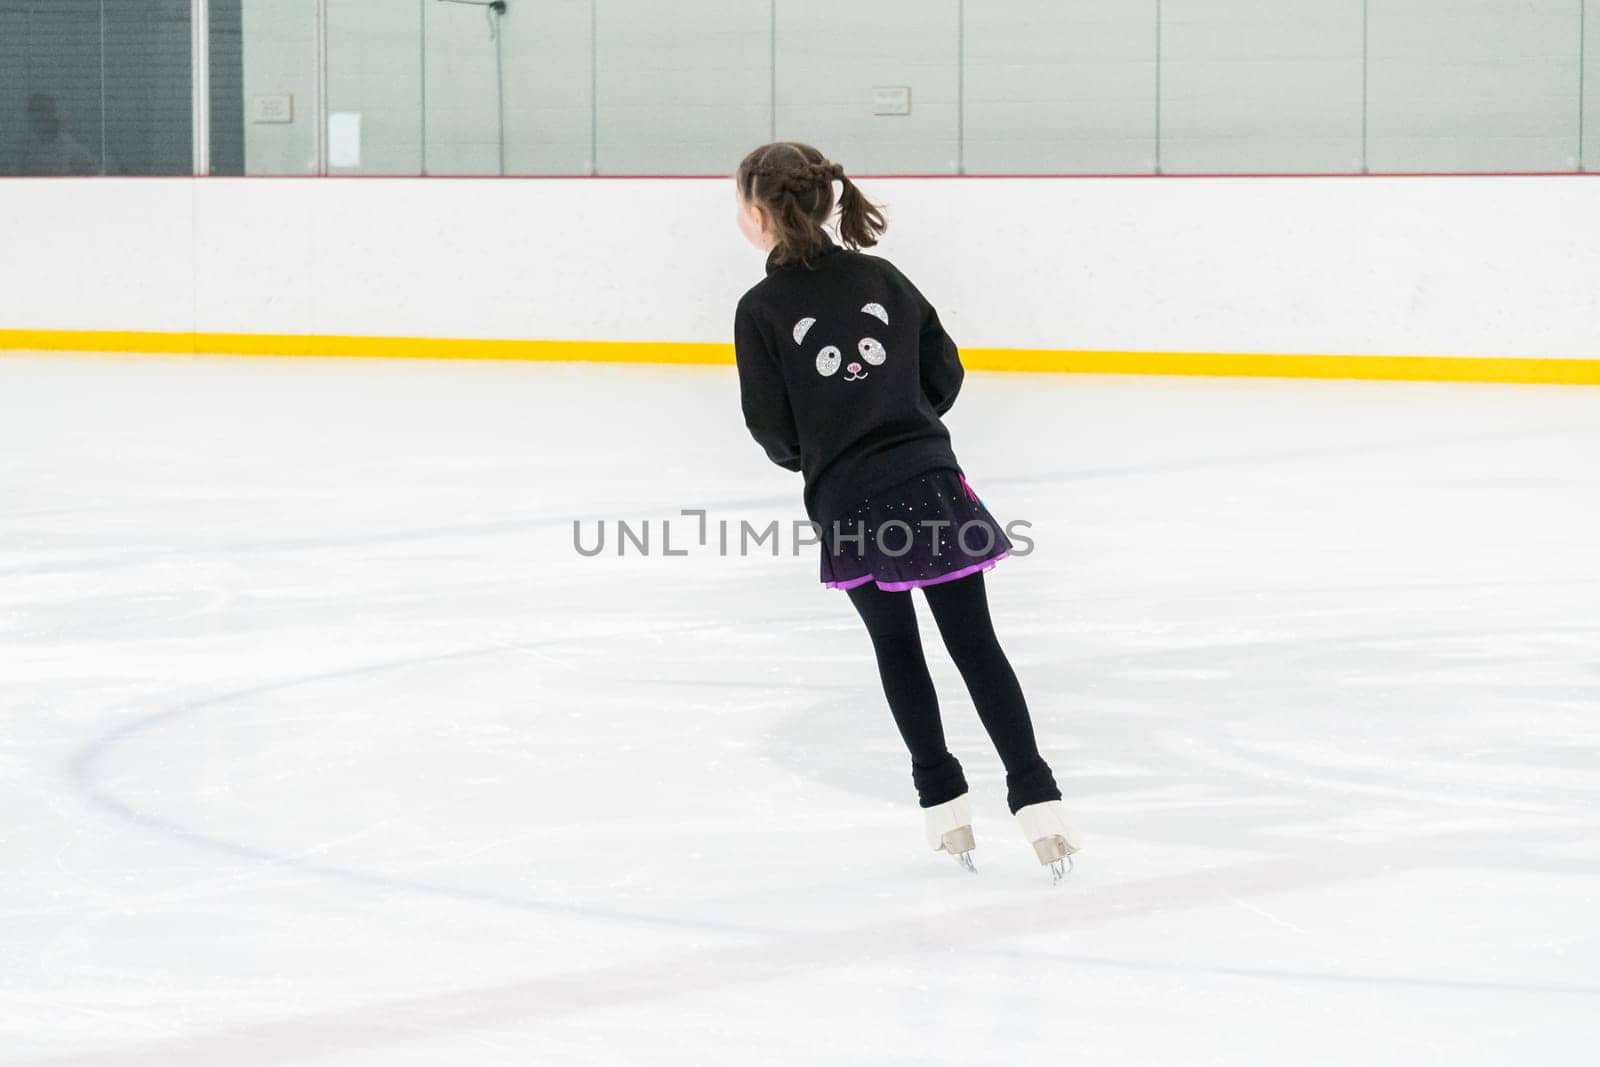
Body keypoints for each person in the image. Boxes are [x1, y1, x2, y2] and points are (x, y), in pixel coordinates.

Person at [730, 141, 1080, 881]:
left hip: (850, 504)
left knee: (897, 647)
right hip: (928, 482)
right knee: (976, 645)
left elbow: (770, 427)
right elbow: (943, 369)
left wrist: (823, 452)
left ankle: (944, 808)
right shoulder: (881, 275)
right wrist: (905, 418)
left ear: (759, 214)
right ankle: (1039, 802)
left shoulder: (760, 309)